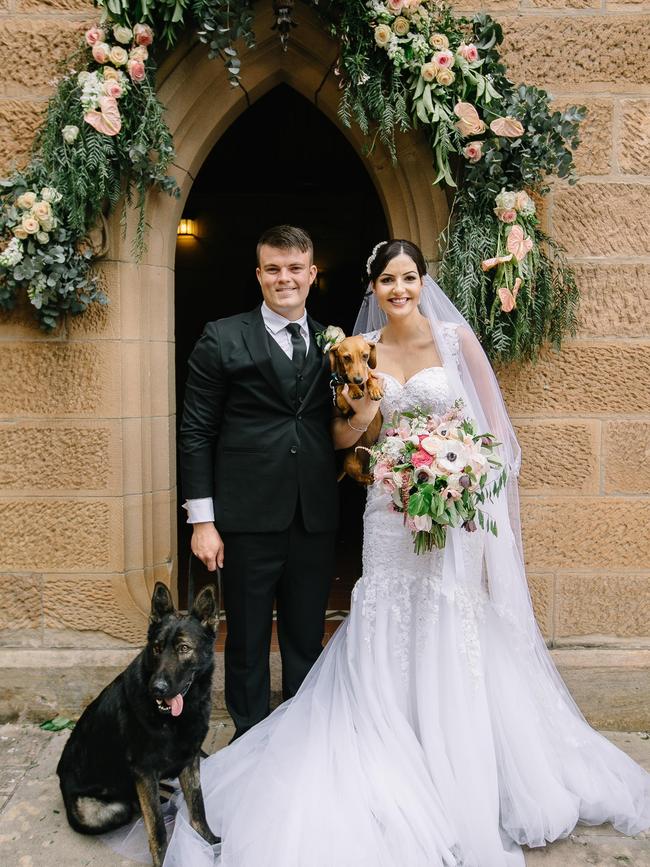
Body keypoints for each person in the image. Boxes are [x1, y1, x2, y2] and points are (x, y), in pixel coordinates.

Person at [151, 239, 649, 866]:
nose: (399, 289)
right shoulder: (362, 353)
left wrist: (462, 478)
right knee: (381, 618)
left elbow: (497, 438)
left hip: (452, 509)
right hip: (389, 507)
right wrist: (364, 415)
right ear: (372, 289)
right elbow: (343, 434)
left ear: (421, 281)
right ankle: (372, 745)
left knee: (448, 620)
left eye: (408, 277)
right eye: (387, 280)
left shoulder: (454, 340)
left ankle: (455, 762)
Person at [179, 225, 338, 740]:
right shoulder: (222, 336)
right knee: (245, 637)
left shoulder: (338, 343)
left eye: (295, 268)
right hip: (246, 516)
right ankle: (249, 735)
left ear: (312, 274)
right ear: (258, 274)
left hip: (313, 512)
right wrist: (203, 521)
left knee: (305, 635)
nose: (284, 278)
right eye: (273, 268)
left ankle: (299, 734)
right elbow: (196, 430)